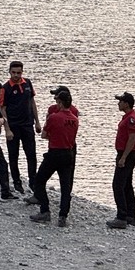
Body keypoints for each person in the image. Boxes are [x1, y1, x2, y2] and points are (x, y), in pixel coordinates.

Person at [29, 86, 79, 228]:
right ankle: (63, 216)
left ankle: (45, 210)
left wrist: (54, 136)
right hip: (68, 153)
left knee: (39, 181)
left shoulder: (54, 117)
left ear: (61, 103)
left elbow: (44, 135)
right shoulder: (75, 119)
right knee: (65, 186)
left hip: (54, 152)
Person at [3, 60, 41, 195]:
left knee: (31, 154)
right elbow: (3, 108)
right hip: (13, 125)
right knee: (14, 155)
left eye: (18, 73)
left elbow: (32, 102)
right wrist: (6, 128)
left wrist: (37, 121)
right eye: (13, 73)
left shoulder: (28, 84)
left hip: (27, 124)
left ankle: (33, 181)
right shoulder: (5, 88)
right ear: (9, 72)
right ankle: (17, 182)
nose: (16, 75)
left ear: (22, 72)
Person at [106, 92, 135, 229]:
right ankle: (130, 215)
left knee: (118, 185)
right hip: (126, 153)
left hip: (127, 154)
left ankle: (121, 216)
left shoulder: (131, 119)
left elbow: (132, 138)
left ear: (127, 103)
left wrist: (124, 157)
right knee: (126, 184)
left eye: (121, 101)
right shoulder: (128, 117)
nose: (118, 103)